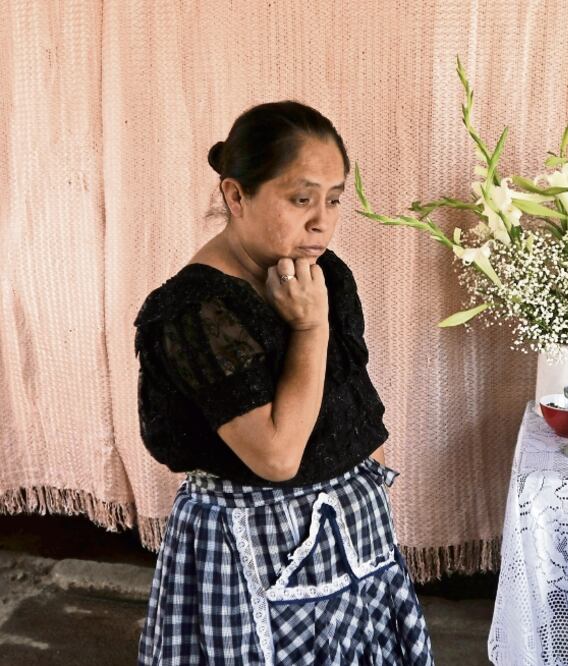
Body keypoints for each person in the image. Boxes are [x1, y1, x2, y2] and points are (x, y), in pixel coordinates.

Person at [133, 101, 434, 665]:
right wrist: (310, 328)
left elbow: (355, 404)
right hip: (252, 549)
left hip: (354, 536)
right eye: (301, 199)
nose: (322, 221)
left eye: (335, 199)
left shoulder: (324, 274)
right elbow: (276, 457)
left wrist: (374, 510)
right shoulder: (194, 311)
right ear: (235, 195)